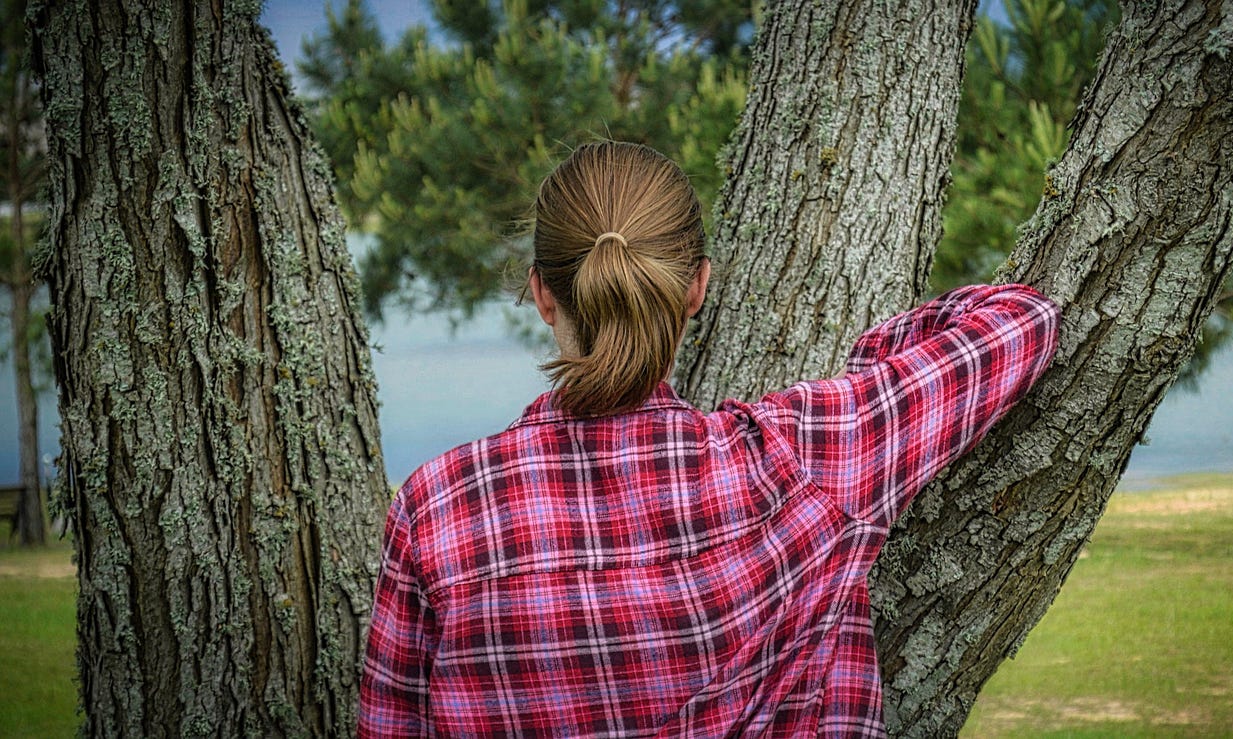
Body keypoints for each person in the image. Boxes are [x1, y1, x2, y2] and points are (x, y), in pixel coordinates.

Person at [358, 141, 1060, 737]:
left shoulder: (436, 511)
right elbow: (1022, 320)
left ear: (542, 294)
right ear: (696, 287)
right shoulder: (804, 457)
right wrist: (871, 362)